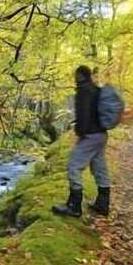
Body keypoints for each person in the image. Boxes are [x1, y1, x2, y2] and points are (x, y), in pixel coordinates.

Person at [52, 65, 110, 218]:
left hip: (90, 135)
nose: (74, 77)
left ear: (80, 75)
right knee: (99, 167)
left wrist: (80, 131)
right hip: (102, 134)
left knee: (73, 166)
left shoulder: (84, 91)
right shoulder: (96, 89)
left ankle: (74, 206)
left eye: (75, 74)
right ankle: (103, 204)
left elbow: (84, 113)